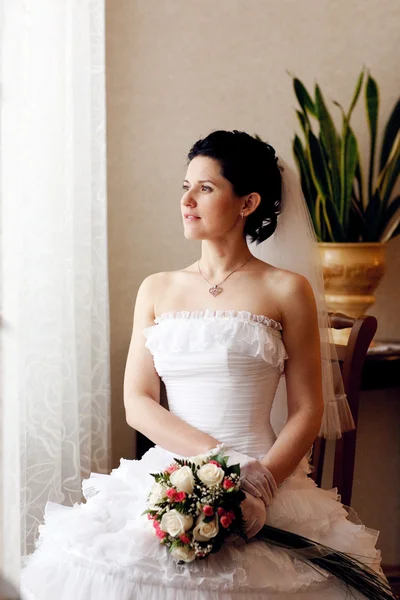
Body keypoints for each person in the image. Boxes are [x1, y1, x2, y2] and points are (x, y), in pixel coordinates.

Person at [21, 130, 385, 599]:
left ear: (248, 202)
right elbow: (138, 402)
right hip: (172, 474)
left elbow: (308, 409)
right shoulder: (157, 288)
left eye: (206, 188)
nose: (187, 199)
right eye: (185, 186)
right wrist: (224, 464)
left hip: (266, 477)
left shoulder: (286, 289)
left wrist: (261, 484)